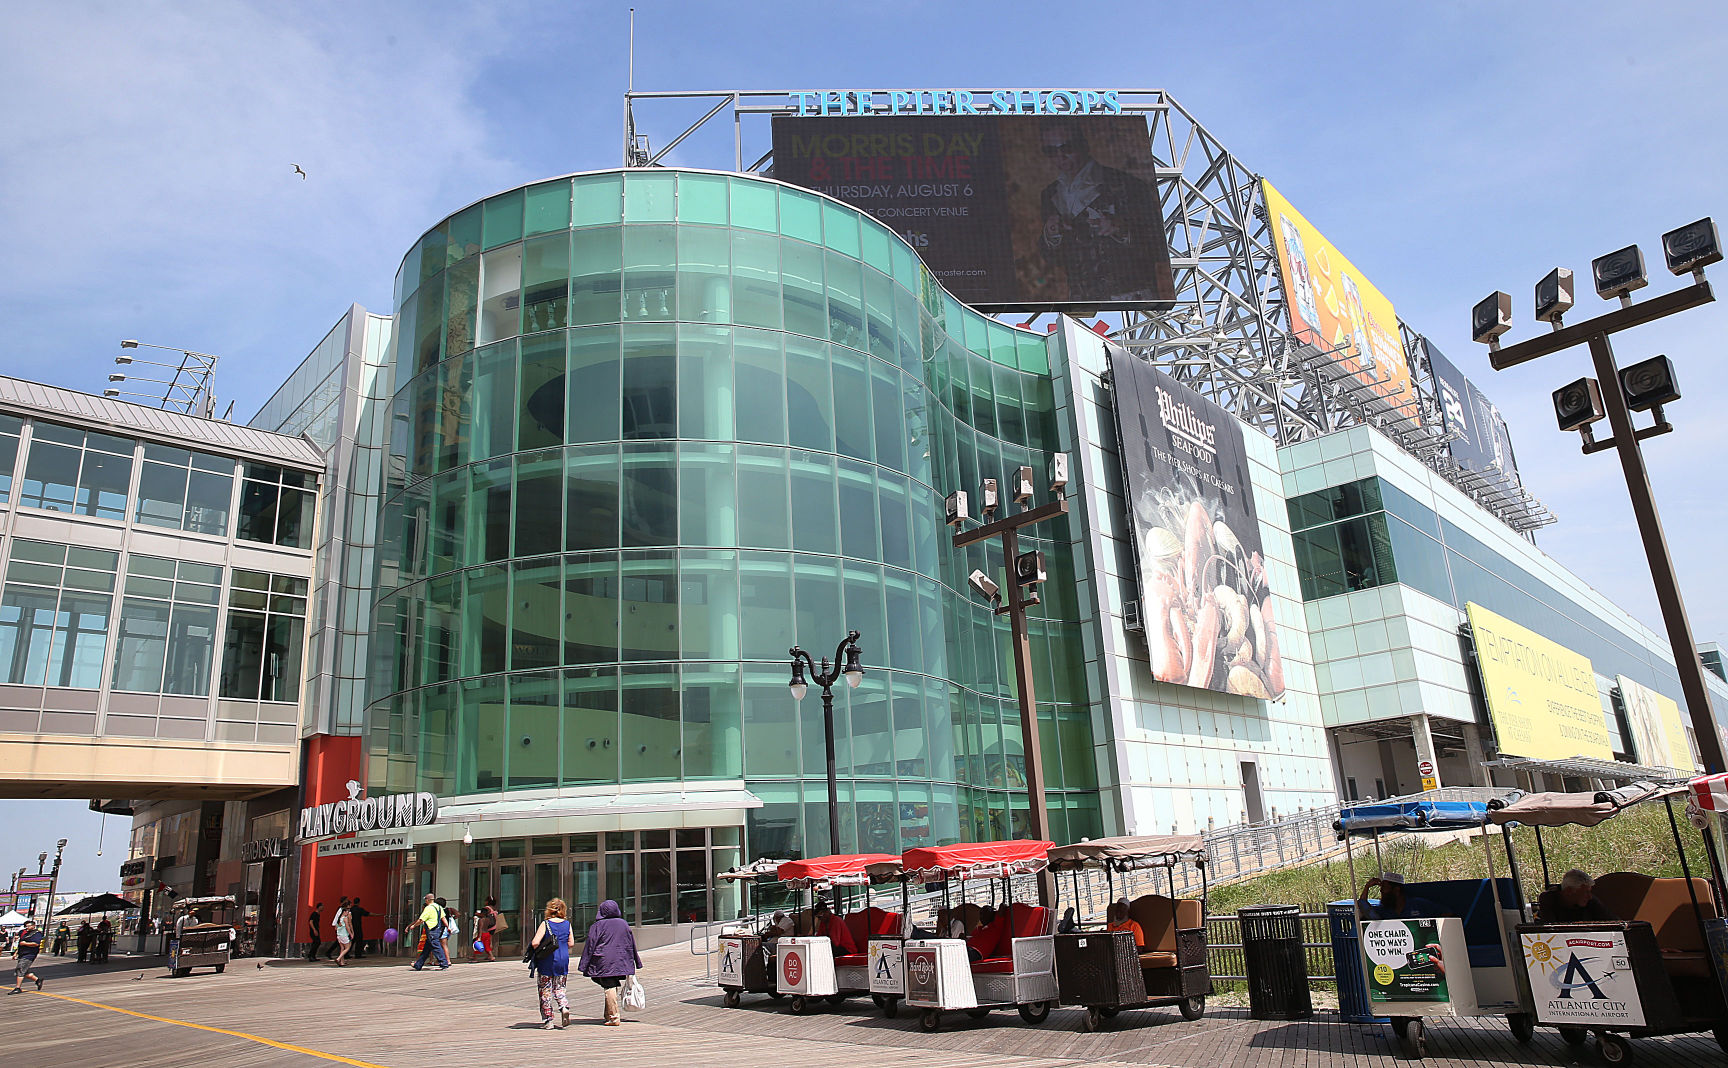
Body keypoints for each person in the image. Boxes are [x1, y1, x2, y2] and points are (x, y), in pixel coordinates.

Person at [1036, 118, 1164, 303]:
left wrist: (1121, 229)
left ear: (1083, 145)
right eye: (1051, 151)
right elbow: (1054, 260)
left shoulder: (1127, 185)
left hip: (1132, 295)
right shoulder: (1049, 194)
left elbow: (1159, 244)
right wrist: (1051, 235)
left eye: (1067, 148)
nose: (1060, 157)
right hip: (1082, 301)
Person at [577, 899, 641, 1026]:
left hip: (603, 961)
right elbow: (631, 943)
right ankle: (608, 1014)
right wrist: (636, 962)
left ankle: (613, 1017)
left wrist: (583, 964)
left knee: (609, 986)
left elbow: (590, 945)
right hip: (621, 960)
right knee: (612, 984)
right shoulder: (623, 924)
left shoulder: (597, 926)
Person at [529, 898, 577, 1029]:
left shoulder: (546, 924)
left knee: (545, 990)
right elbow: (571, 943)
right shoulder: (567, 924)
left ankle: (548, 1020)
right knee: (560, 988)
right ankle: (563, 1006)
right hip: (562, 960)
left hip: (547, 960)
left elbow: (535, 942)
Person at [1537, 869, 1617, 923]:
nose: (1590, 896)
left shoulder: (1590, 901)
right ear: (1569, 891)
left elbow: (1614, 923)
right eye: (1585, 892)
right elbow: (1550, 928)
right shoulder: (1548, 900)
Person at [1358, 873, 1438, 920]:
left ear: (1396, 890)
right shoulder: (1383, 910)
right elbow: (1364, 907)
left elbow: (1446, 913)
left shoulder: (1418, 904)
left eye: (1385, 888)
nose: (1381, 891)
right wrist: (1367, 887)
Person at [410, 893, 450, 971]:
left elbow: (421, 920)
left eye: (426, 899)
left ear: (428, 900)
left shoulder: (428, 908)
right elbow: (443, 918)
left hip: (431, 930)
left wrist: (414, 925)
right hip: (437, 930)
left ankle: (443, 963)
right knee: (426, 949)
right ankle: (418, 965)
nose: (425, 901)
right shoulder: (438, 907)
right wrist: (448, 927)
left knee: (436, 947)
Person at [8, 919, 43, 994]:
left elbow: (36, 944)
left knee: (20, 969)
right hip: (22, 953)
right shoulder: (25, 933)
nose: (26, 927)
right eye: (25, 926)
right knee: (24, 971)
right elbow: (20, 944)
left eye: (28, 926)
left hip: (29, 954)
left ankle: (18, 987)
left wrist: (25, 944)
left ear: (33, 926)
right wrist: (16, 953)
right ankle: (37, 980)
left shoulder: (37, 934)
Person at [474, 897, 499, 962]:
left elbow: (482, 915)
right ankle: (490, 956)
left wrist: (477, 914)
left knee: (479, 942)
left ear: (487, 901)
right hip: (493, 927)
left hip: (486, 929)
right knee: (487, 943)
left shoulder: (485, 911)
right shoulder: (494, 908)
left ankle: (475, 957)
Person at [331, 898, 353, 967]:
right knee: (347, 947)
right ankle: (338, 959)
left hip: (339, 934)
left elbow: (336, 923)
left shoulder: (339, 916)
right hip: (344, 934)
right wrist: (351, 933)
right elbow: (348, 925)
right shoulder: (345, 917)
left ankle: (342, 962)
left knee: (342, 948)